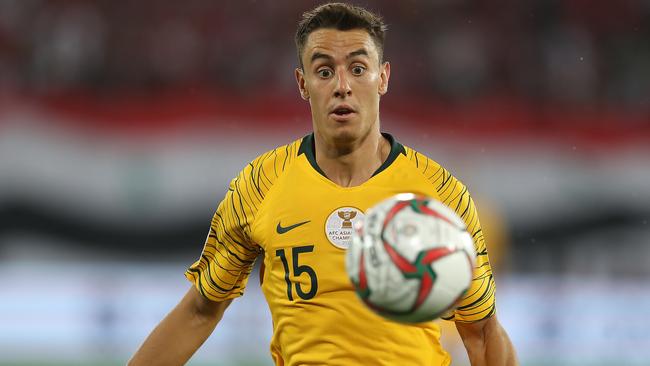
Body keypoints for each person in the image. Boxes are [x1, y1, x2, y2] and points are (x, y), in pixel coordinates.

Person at [129, 3, 517, 365]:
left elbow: (481, 331)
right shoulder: (260, 185)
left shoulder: (441, 195)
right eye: (325, 71)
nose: (342, 86)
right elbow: (201, 309)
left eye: (359, 69)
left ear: (383, 78)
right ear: (302, 83)